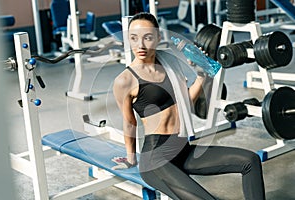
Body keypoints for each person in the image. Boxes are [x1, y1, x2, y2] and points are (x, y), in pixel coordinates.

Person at [112, 12, 265, 200]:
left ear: (158, 38)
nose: (140, 45)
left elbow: (184, 103)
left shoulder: (168, 63)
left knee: (250, 161)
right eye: (134, 38)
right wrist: (130, 159)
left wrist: (202, 75)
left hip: (182, 150)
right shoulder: (125, 80)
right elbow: (129, 123)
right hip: (155, 160)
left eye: (148, 37)